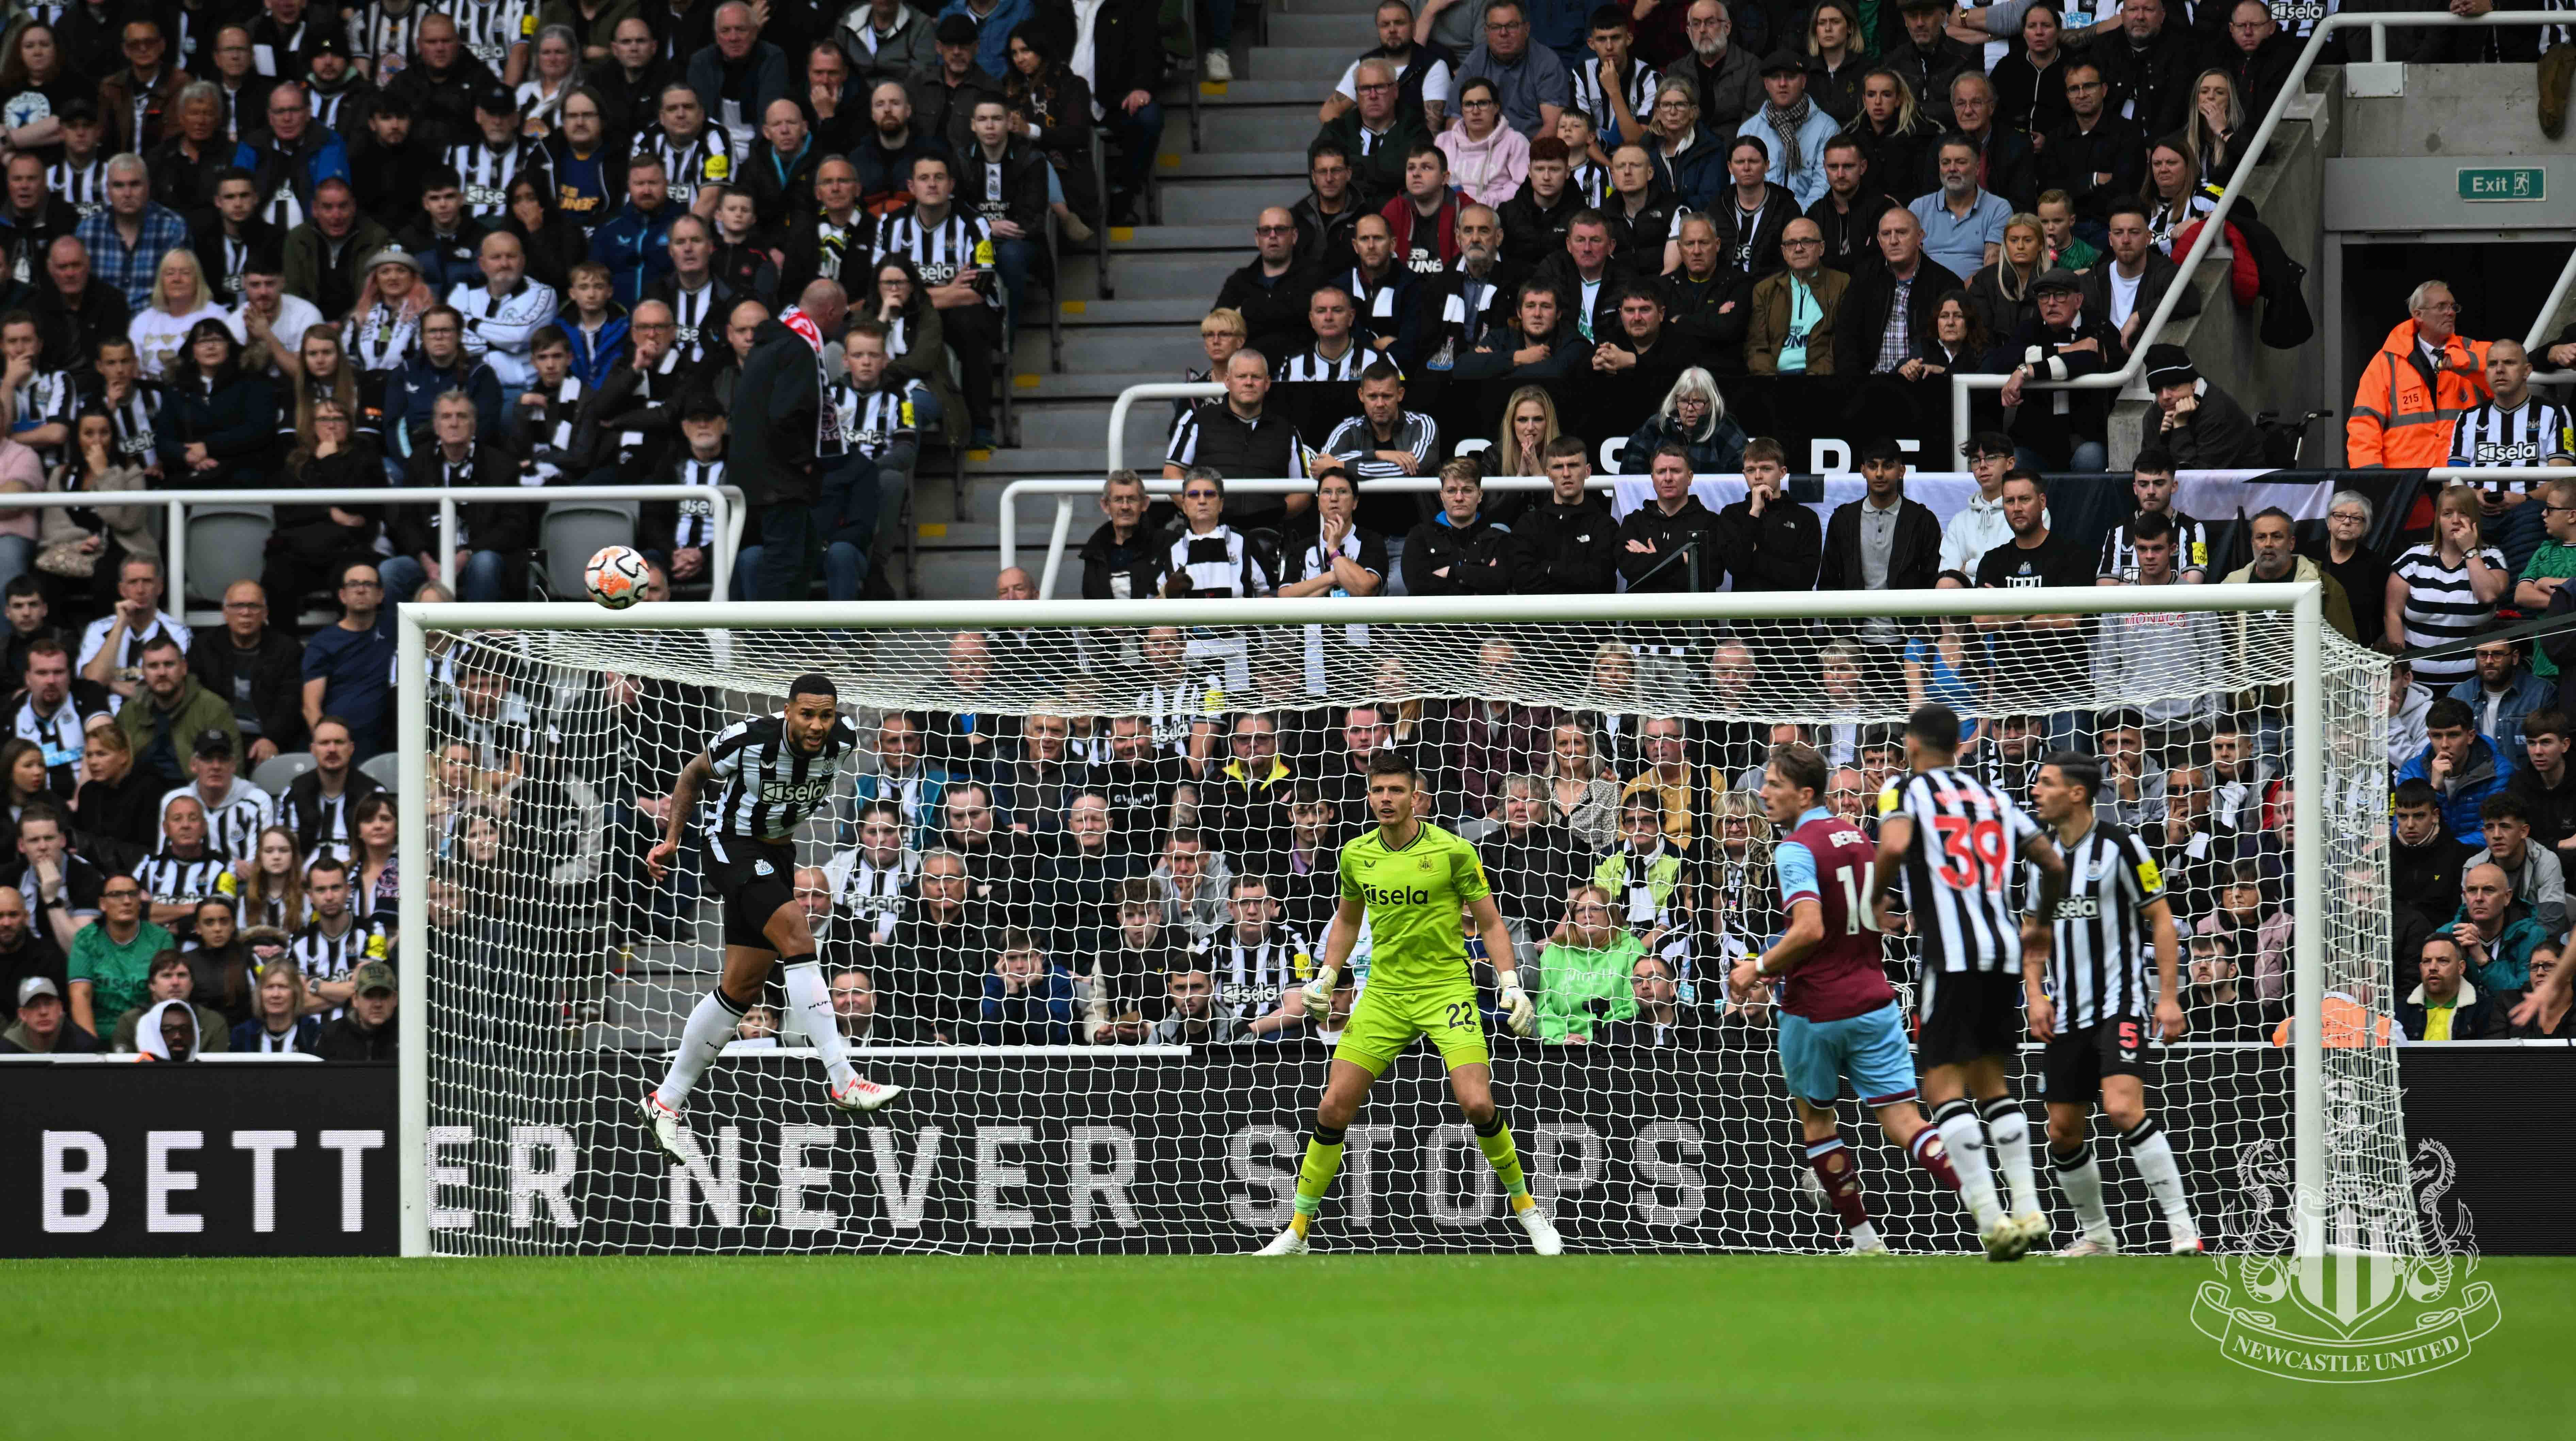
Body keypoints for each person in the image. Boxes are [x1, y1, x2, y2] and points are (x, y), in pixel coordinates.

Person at [1254, 749, 1560, 1256]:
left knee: (1478, 1102)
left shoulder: (1454, 850)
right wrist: (1328, 974)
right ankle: (1298, 1231)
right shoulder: (1356, 854)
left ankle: (1529, 1212)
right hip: (1385, 995)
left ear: (1415, 797)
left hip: (1445, 991)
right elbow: (1349, 920)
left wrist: (1509, 981)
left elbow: (1490, 922)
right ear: (1368, 794)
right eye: (1378, 790)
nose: (1386, 799)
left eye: (1396, 790)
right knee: (1333, 1106)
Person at [638, 675, 904, 1156]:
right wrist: (673, 838)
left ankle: (666, 1100)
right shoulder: (749, 737)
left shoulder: (844, 739)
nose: (817, 724)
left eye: (825, 714)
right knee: (799, 935)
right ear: (788, 711)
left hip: (779, 854)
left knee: (741, 988)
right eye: (807, 714)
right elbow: (692, 774)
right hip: (730, 845)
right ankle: (843, 1078)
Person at [1726, 742, 1971, 1254]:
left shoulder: (1794, 847)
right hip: (1874, 998)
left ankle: (1863, 1237)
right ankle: (1989, 1211)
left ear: (1805, 792)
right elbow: (1869, 913)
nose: (1764, 792)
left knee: (1817, 1120)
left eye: (1774, 784)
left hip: (1815, 1007)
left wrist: (1760, 966)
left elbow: (1811, 927)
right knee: (1907, 1121)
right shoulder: (1858, 837)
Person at [1865, 702, 2067, 1260]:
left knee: (1939, 1087)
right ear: (1958, 744)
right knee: (1990, 1081)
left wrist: (1871, 900)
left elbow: (1894, 846)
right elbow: (2051, 863)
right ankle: (2028, 1210)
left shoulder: (1901, 791)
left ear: (1909, 745)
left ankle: (1989, 1216)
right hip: (2002, 949)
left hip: (1949, 954)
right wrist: (2042, 926)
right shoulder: (1992, 796)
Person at [2024, 752, 2201, 1255]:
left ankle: (2183, 1228)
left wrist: (2167, 997)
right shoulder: (2043, 858)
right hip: (2065, 1011)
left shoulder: (2121, 846)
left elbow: (2161, 919)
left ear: (2077, 793)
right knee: (2061, 1130)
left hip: (2119, 1003)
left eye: (2047, 783)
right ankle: (2098, 1233)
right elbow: (2034, 934)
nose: (2036, 791)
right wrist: (2034, 993)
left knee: (2122, 1106)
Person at [2347, 279, 2492, 470]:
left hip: (2462, 482)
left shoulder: (2472, 351)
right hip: (2407, 483)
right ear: (2418, 315)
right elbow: (2365, 423)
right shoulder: (2388, 361)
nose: (2450, 313)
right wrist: (2371, 476)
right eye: (2441, 307)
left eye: (2453, 307)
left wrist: (2462, 361)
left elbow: (2507, 377)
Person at [2389, 485, 2509, 693]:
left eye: (2463, 513)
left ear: (2474, 519)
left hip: (2472, 685)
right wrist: (2401, 668)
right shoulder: (2414, 558)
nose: (2455, 520)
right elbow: (2392, 614)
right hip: (2416, 684)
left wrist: (2470, 550)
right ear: (2438, 520)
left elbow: (2488, 596)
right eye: (2447, 514)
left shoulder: (2492, 558)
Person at [1533, 883, 1645, 1043]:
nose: (1587, 914)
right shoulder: (1554, 953)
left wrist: (1599, 1039)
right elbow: (1544, 1009)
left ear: (1610, 915)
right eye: (1580, 910)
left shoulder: (1631, 948)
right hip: (1563, 1048)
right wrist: (1560, 1039)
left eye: (1595, 909)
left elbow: (1633, 1005)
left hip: (1615, 1044)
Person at [2142, 343, 2263, 469]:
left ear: (2193, 383)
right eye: (2158, 391)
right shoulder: (2156, 414)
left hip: (2244, 486)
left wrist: (2180, 428)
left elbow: (2196, 480)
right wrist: (2164, 439)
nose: (2165, 396)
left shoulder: (2218, 412)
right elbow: (2149, 472)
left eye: (2173, 387)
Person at [2, 973, 98, 1052]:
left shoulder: (84, 1046)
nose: (43, 1012)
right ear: (22, 1015)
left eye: (48, 1004)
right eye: (34, 1006)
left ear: (60, 1008)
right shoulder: (6, 1050)